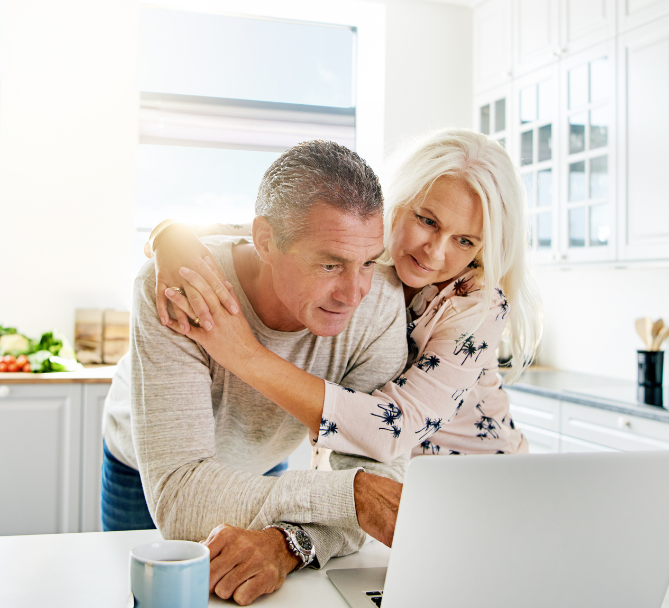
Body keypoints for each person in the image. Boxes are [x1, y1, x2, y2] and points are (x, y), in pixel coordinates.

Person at [100, 140, 408, 606]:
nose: (354, 292)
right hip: (147, 470)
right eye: (330, 264)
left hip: (265, 464)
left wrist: (291, 542)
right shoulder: (181, 285)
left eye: (368, 261)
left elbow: (378, 494)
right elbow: (180, 497)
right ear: (265, 241)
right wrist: (352, 498)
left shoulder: (381, 306)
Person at [153, 129, 543, 462]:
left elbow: (395, 427)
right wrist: (171, 235)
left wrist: (244, 354)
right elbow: (286, 231)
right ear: (396, 202)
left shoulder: (478, 304)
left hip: (482, 474)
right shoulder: (368, 250)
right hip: (392, 481)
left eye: (464, 240)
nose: (436, 252)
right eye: (427, 221)